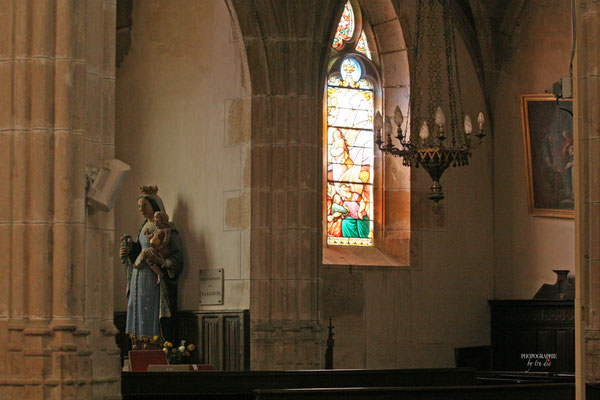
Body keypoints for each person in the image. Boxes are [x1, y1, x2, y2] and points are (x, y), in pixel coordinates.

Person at [119, 185, 184, 348]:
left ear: (155, 207)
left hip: (153, 278)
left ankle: (155, 345)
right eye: (139, 206)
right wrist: (127, 250)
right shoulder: (143, 228)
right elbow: (139, 251)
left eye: (145, 205)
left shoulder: (168, 228)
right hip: (139, 276)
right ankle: (139, 345)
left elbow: (177, 258)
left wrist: (161, 262)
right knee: (137, 308)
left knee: (151, 311)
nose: (141, 209)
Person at [134, 211, 172, 284]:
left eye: (156, 217)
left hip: (160, 250)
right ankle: (158, 273)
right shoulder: (156, 229)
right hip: (154, 248)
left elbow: (166, 240)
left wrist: (160, 246)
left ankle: (140, 263)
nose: (154, 219)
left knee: (145, 252)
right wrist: (147, 234)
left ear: (162, 219)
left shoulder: (166, 230)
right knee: (149, 261)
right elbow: (151, 236)